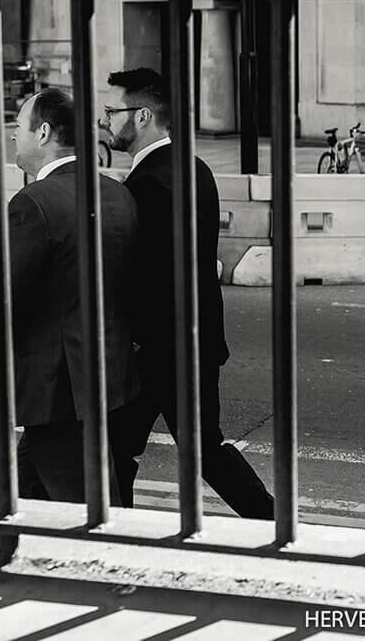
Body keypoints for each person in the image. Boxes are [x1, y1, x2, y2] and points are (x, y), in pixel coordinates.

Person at [0, 88, 139, 502]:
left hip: (57, 390)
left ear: (43, 133)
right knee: (25, 502)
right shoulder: (116, 193)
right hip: (105, 379)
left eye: (17, 128)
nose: (12, 138)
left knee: (86, 516)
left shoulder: (34, 203)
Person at [102, 67, 275, 519]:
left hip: (155, 353)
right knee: (202, 451)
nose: (104, 120)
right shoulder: (194, 168)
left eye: (110, 110)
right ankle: (274, 524)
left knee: (115, 453)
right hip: (192, 344)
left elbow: (152, 277)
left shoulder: (149, 184)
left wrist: (132, 342)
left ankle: (115, 536)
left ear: (141, 116)